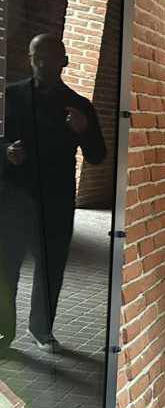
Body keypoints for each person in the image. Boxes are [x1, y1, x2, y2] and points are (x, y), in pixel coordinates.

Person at [0, 34, 107, 351]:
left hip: (56, 200)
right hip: (15, 196)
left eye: (51, 57)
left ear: (65, 61)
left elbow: (97, 155)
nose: (44, 64)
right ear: (29, 59)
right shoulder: (11, 96)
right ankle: (3, 332)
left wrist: (84, 130)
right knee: (6, 265)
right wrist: (6, 152)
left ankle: (41, 329)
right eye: (38, 57)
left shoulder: (79, 106)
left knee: (51, 268)